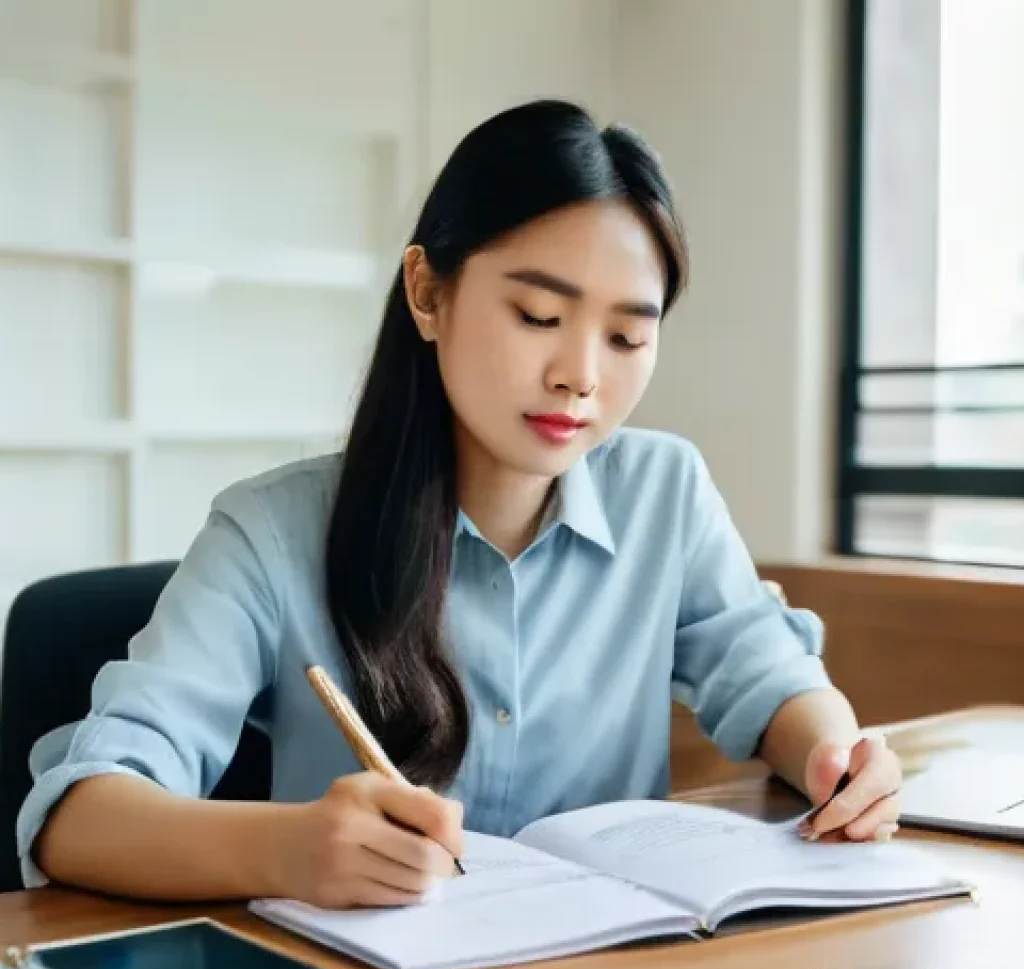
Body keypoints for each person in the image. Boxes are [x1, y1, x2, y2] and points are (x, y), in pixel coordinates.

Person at [17, 99, 902, 909]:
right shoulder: (272, 533)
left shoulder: (664, 493)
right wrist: (287, 850)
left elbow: (769, 674)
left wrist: (834, 758)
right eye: (539, 316)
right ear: (427, 293)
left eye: (627, 336)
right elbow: (75, 815)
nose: (581, 375)